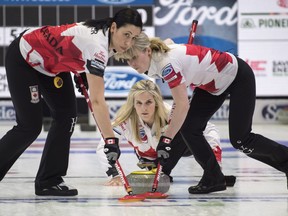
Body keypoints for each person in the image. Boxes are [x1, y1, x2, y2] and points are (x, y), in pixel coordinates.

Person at [113, 32, 288, 194]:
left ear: (148, 50)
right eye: (128, 60)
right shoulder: (159, 55)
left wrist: (166, 139)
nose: (132, 64)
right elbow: (169, 43)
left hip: (237, 76)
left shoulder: (167, 65)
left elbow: (182, 105)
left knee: (241, 139)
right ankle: (214, 177)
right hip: (212, 84)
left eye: (134, 57)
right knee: (189, 128)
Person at [0, 8, 142, 196]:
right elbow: (97, 101)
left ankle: (49, 181)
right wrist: (110, 140)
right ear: (114, 27)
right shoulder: (97, 46)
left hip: (51, 66)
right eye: (126, 35)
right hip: (25, 57)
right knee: (29, 126)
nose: (128, 42)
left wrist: (82, 71)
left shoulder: (106, 38)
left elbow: (74, 47)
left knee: (67, 117)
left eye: (134, 38)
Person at [96, 79, 223, 186]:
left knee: (185, 129)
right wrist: (114, 174)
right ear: (133, 104)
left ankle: (164, 171)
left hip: (180, 148)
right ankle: (158, 169)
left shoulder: (170, 114)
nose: (143, 108)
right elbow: (104, 145)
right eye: (139, 103)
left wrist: (215, 166)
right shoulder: (125, 120)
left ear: (156, 102)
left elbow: (209, 130)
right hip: (149, 158)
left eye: (148, 102)